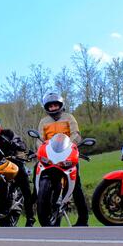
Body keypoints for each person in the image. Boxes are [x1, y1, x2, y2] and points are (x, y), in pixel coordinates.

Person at [36, 92, 89, 226]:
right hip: (49, 157)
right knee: (36, 175)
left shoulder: (69, 117)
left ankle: (83, 220)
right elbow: (39, 140)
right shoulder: (43, 121)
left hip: (67, 155)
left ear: (61, 105)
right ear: (46, 107)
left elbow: (76, 134)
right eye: (50, 106)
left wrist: (70, 146)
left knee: (76, 186)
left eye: (55, 105)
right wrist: (40, 150)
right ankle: (38, 202)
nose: (53, 108)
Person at [0, 113, 35, 226]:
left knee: (25, 187)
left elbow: (21, 143)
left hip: (13, 161)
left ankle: (30, 217)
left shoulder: (8, 133)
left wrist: (17, 144)